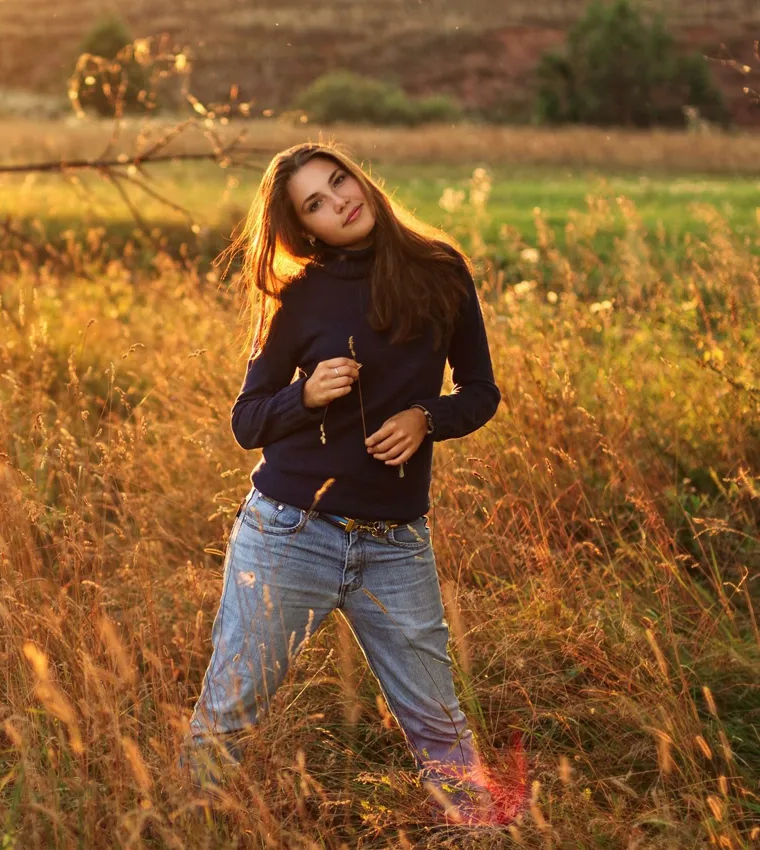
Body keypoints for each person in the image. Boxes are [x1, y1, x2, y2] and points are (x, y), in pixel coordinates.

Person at [181, 140, 503, 825]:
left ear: (360, 175)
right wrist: (308, 396)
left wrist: (426, 418)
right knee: (229, 712)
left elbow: (479, 391)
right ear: (306, 230)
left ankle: (483, 834)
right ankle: (181, 830)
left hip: (395, 542)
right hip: (288, 534)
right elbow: (247, 421)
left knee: (440, 727)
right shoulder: (299, 300)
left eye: (339, 181)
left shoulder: (441, 271)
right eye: (315, 204)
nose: (339, 202)